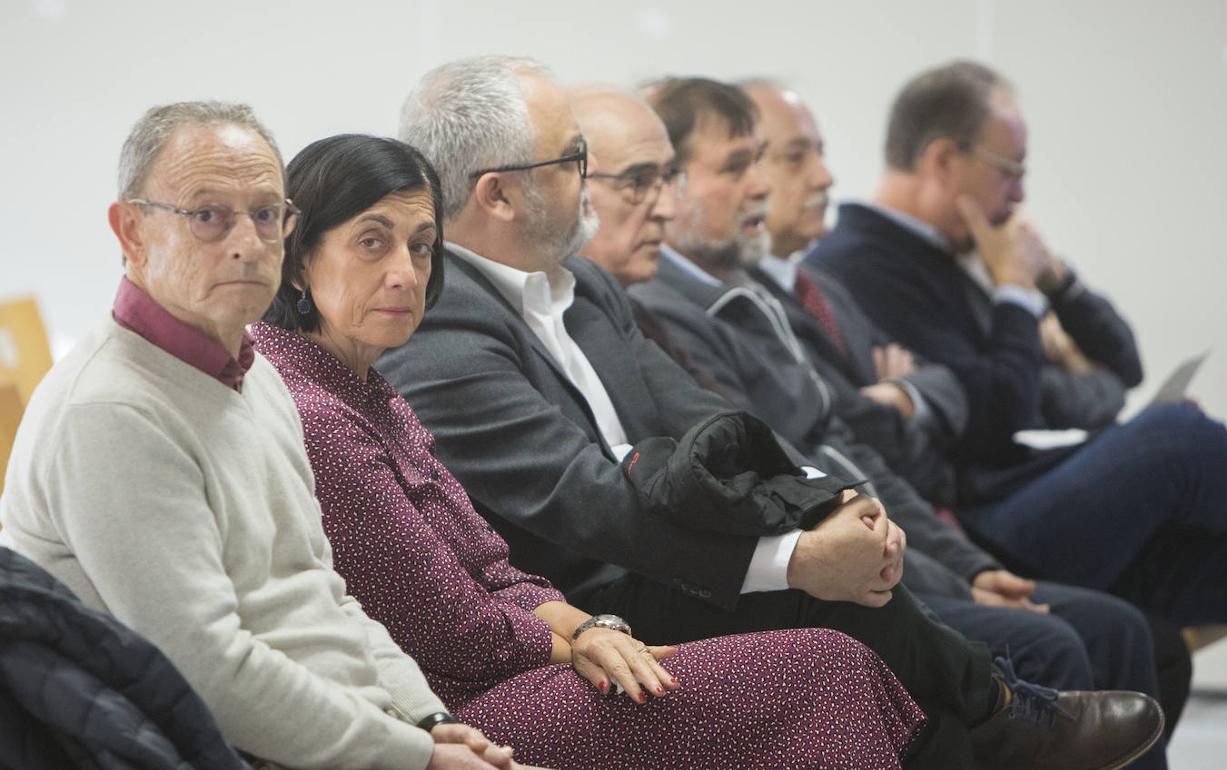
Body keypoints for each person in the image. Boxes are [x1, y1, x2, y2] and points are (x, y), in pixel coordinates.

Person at [380, 55, 1162, 770]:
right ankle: (1001, 711)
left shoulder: (583, 289)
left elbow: (711, 419)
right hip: (581, 611)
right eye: (576, 160)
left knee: (856, 599)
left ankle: (1002, 723)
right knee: (822, 598)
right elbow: (590, 501)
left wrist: (832, 505)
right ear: (498, 194)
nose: (592, 182)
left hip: (671, 559)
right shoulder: (440, 328)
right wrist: (794, 559)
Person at [252, 131, 926, 770]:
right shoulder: (316, 412)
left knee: (829, 651)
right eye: (373, 243)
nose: (405, 272)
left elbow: (494, 568)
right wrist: (582, 642)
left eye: (423, 246)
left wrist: (596, 628)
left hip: (515, 658)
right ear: (299, 257)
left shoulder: (366, 386)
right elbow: (449, 626)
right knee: (818, 669)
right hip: (443, 713)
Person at [0, 101, 532, 770]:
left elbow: (321, 589)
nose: (248, 243)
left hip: (354, 729)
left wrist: (426, 718)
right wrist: (411, 754)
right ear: (131, 231)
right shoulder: (109, 410)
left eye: (264, 214)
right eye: (207, 216)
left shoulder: (256, 376)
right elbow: (207, 672)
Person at [806, 59, 1227, 736]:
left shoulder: (968, 253)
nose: (1018, 195)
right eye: (1008, 170)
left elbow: (1114, 370)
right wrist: (1014, 295)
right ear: (944, 160)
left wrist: (1055, 280)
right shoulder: (859, 264)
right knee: (1174, 438)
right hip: (973, 521)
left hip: (1018, 488)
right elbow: (1003, 410)